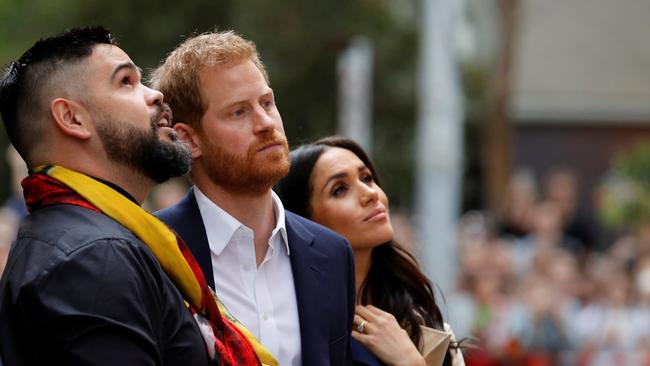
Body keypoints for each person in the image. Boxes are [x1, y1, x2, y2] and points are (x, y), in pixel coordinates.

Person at [0, 26, 260, 365]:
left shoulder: (89, 243)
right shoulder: (92, 260)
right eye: (126, 82)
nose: (155, 96)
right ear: (72, 118)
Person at [150, 31, 355, 366]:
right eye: (238, 112)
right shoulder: (153, 251)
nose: (265, 123)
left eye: (267, 102)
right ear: (188, 140)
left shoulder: (332, 254)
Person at [275, 136, 465, 366]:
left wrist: (411, 360)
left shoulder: (422, 323)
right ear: (304, 222)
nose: (370, 193)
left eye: (367, 178)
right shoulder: (290, 328)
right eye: (340, 190)